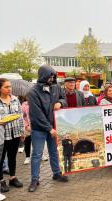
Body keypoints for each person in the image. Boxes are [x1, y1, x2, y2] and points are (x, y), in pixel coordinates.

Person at [28, 65, 68, 193]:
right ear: (43, 76)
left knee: (54, 151)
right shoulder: (33, 92)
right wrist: (49, 128)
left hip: (53, 126)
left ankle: (56, 173)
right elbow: (37, 114)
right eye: (50, 76)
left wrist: (60, 103)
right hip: (39, 129)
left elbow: (64, 99)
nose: (52, 78)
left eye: (53, 76)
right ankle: (35, 179)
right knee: (37, 155)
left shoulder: (56, 87)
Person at [0, 78, 25, 192]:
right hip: (2, 134)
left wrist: (22, 131)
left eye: (10, 86)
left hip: (15, 133)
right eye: (6, 87)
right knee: (1, 158)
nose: (9, 89)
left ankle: (12, 178)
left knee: (12, 156)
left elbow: (20, 115)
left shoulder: (15, 99)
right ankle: (0, 180)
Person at [21, 98, 31, 165]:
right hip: (28, 127)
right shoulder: (24, 104)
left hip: (36, 126)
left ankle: (41, 155)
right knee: (27, 141)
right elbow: (22, 116)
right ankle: (27, 156)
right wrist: (26, 125)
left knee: (37, 142)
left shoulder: (37, 102)